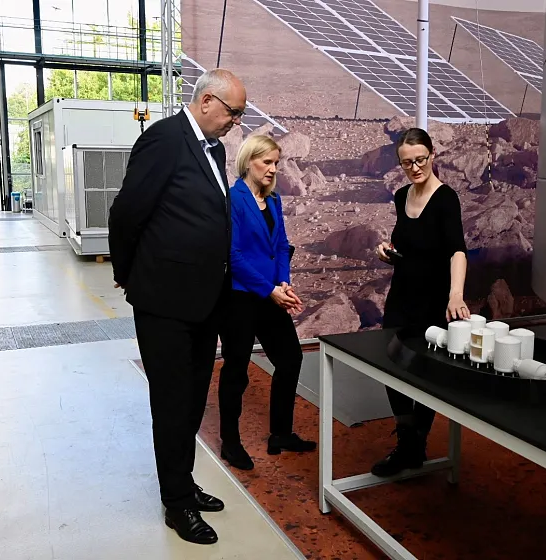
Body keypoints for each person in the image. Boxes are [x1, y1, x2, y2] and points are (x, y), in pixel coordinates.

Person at [108, 68, 247, 545]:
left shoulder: (216, 149)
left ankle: (183, 483)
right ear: (207, 101)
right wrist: (127, 273)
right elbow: (127, 212)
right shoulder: (165, 139)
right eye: (234, 112)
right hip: (164, 301)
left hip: (204, 301)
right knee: (171, 405)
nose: (236, 121)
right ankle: (177, 505)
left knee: (190, 403)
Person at [372, 127, 469, 477]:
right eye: (407, 163)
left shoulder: (446, 199)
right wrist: (388, 252)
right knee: (391, 364)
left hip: (434, 299)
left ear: (432, 156)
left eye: (420, 160)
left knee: (426, 370)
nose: (414, 168)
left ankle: (414, 444)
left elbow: (457, 250)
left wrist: (455, 294)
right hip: (402, 295)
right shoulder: (401, 196)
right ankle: (408, 438)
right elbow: (408, 247)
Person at [218, 134, 317, 471]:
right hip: (241, 298)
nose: (274, 169)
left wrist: (283, 282)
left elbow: (282, 245)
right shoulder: (234, 199)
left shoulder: (273, 201)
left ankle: (281, 434)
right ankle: (230, 442)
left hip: (270, 293)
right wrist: (269, 289)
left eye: (277, 162)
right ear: (249, 161)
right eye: (267, 162)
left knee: (290, 359)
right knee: (236, 371)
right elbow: (234, 256)